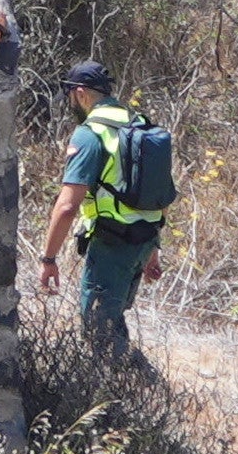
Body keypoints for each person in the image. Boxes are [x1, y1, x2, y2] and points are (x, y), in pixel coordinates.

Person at [37, 61, 163, 356]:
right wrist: (153, 250)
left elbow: (67, 206)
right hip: (143, 241)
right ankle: (134, 391)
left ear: (80, 93)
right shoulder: (140, 124)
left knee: (100, 333)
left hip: (112, 244)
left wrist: (48, 259)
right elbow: (156, 194)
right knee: (112, 322)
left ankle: (124, 394)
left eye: (70, 96)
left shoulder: (91, 133)